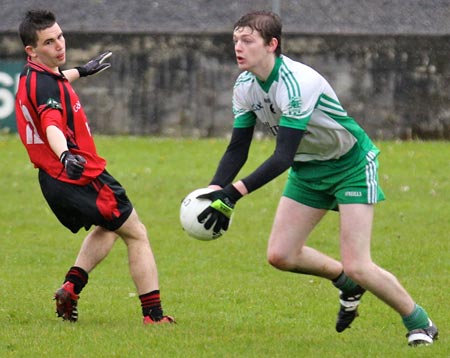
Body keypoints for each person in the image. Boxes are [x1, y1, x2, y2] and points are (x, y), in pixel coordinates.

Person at [197, 10, 438, 346]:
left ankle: (419, 322)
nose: (238, 46)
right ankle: (346, 283)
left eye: (247, 40)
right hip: (308, 169)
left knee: (359, 263)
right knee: (281, 255)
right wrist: (213, 189)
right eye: (235, 39)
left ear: (271, 45)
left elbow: (281, 156)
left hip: (349, 165)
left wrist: (233, 194)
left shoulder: (297, 83)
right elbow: (238, 148)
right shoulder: (245, 85)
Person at [15, 9, 174, 325]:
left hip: (54, 179)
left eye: (60, 36)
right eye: (49, 42)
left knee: (112, 226)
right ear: (31, 50)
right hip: (80, 174)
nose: (59, 45)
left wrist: (82, 71)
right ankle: (154, 317)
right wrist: (65, 155)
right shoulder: (46, 88)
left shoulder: (31, 75)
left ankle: (71, 287)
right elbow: (51, 123)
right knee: (137, 233)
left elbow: (58, 80)